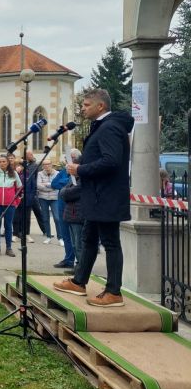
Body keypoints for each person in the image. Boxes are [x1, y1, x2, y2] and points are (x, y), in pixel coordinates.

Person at [54, 89, 134, 307]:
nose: (82, 108)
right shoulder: (103, 126)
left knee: (110, 243)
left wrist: (81, 169)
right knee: (88, 239)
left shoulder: (110, 127)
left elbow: (111, 161)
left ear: (101, 107)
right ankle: (79, 282)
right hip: (96, 196)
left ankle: (114, 292)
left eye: (86, 104)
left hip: (106, 196)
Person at [0, 153, 21, 257]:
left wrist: (16, 200)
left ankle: (9, 248)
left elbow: (19, 187)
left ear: (8, 162)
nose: (2, 163)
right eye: (0, 161)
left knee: (8, 225)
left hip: (9, 203)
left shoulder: (14, 173)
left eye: (4, 161)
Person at [37, 159, 62, 245]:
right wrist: (51, 185)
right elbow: (39, 186)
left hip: (54, 198)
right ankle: (48, 236)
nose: (46, 166)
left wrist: (46, 184)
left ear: (51, 164)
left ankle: (60, 237)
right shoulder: (40, 174)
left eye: (48, 164)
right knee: (45, 218)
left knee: (57, 218)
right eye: (44, 164)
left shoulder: (57, 174)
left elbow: (58, 185)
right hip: (43, 198)